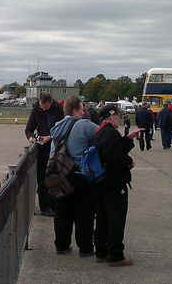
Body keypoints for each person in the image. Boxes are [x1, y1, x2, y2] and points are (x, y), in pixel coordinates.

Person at [49, 96, 97, 256]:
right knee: (84, 214)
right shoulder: (83, 124)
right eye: (82, 109)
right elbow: (104, 134)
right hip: (79, 174)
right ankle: (85, 248)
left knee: (62, 212)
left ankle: (61, 245)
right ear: (75, 110)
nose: (84, 112)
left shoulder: (57, 127)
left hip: (60, 173)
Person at [93, 105, 141, 266]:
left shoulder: (101, 132)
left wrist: (128, 139)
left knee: (102, 218)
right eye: (117, 116)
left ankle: (101, 250)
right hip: (114, 182)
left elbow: (114, 149)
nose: (119, 118)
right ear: (110, 116)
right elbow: (113, 156)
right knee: (116, 218)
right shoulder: (110, 133)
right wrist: (129, 162)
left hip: (101, 183)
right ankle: (116, 254)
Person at [25, 92, 64, 217]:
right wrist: (32, 138)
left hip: (56, 146)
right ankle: (44, 207)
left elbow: (63, 128)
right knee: (42, 178)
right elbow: (29, 129)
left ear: (50, 102)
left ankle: (54, 205)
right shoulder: (37, 109)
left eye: (45, 107)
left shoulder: (58, 108)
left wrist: (50, 137)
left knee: (54, 177)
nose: (43, 109)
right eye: (42, 107)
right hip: (42, 148)